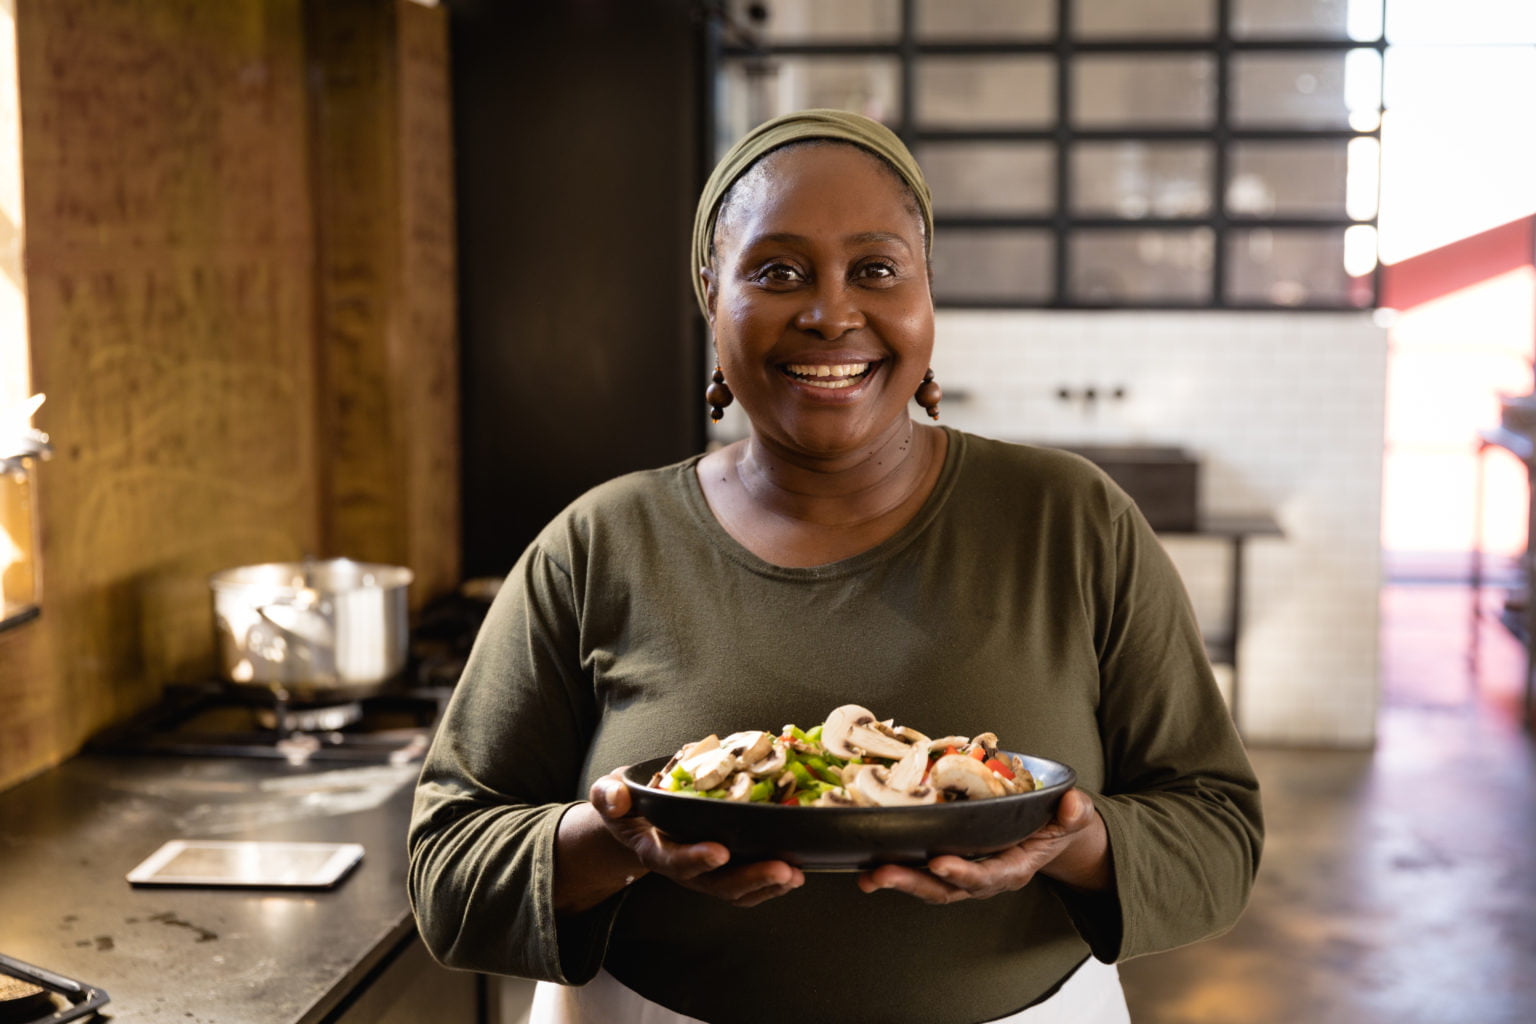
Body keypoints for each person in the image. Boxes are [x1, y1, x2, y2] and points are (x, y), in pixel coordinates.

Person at [408, 109, 1263, 1024]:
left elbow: (1215, 829)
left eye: (876, 269)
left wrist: (1071, 841)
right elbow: (447, 871)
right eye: (776, 272)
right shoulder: (600, 545)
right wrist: (618, 841)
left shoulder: (1072, 522)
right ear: (711, 296)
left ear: (927, 293)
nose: (829, 312)